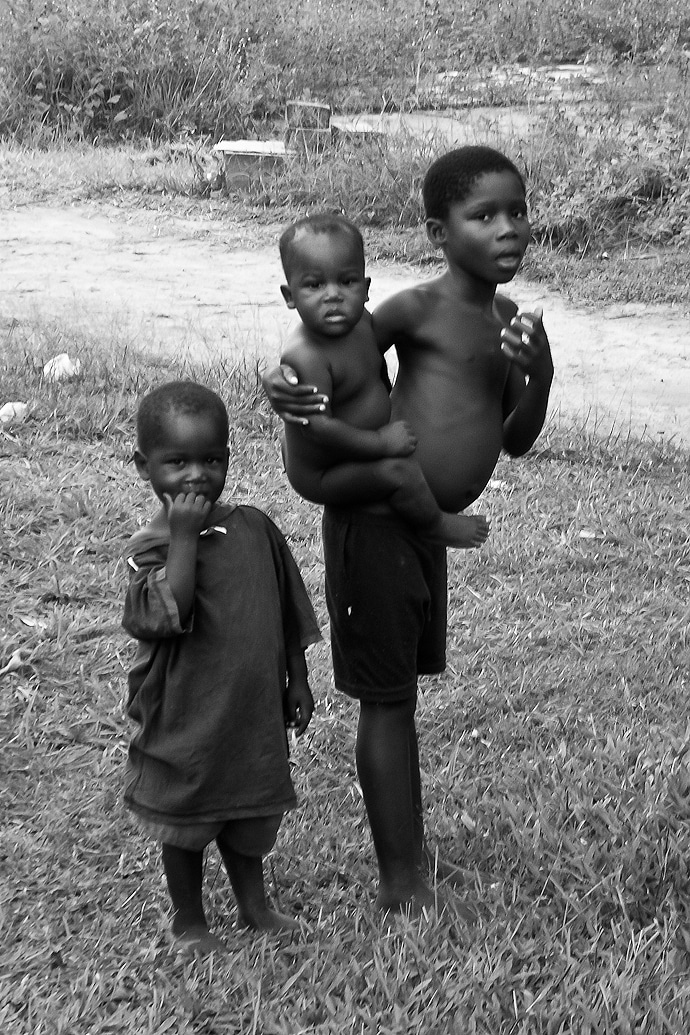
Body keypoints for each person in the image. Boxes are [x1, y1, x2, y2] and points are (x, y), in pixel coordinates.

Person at [263, 146, 554, 913]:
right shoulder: (413, 309)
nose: (508, 229)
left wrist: (541, 373)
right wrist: (283, 382)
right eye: (483, 214)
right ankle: (401, 881)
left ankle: (409, 856)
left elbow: (517, 437)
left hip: (423, 530)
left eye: (517, 211)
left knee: (402, 696)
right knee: (386, 700)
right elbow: (331, 338)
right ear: (437, 231)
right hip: (377, 522)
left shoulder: (505, 323)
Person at [122, 381, 321, 951]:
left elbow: (285, 609)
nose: (195, 477)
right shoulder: (151, 550)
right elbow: (168, 613)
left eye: (211, 460)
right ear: (145, 466)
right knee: (184, 823)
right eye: (176, 463)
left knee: (248, 817)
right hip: (183, 717)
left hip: (249, 712)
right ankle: (189, 921)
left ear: (229, 458)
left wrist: (298, 678)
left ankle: (254, 906)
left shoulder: (253, 529)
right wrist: (185, 537)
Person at [278, 212, 489, 549]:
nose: (332, 295)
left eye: (346, 282)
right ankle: (435, 524)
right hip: (322, 471)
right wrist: (379, 442)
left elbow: (375, 372)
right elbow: (317, 428)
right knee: (398, 473)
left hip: (353, 449)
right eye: (314, 285)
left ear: (365, 289)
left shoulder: (362, 322)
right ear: (291, 296)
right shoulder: (307, 356)